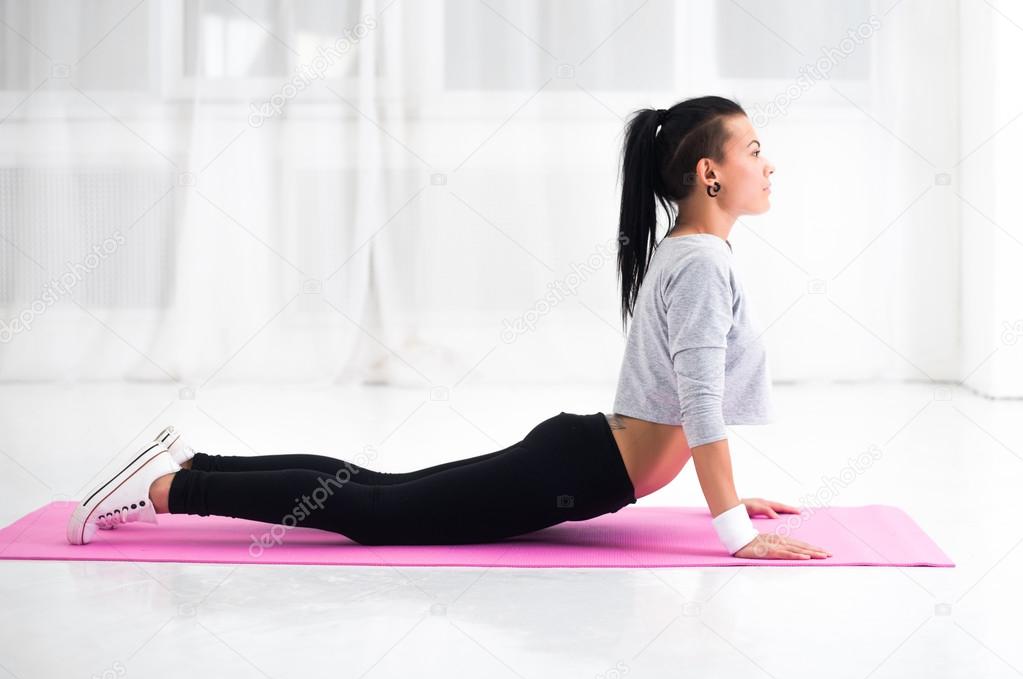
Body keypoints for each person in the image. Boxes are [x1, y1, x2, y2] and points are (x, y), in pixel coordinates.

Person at [66, 95, 831, 561]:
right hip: (574, 472)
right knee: (377, 512)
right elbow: (697, 399)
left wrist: (729, 496)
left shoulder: (692, 252)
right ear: (708, 173)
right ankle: (168, 487)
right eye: (755, 151)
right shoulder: (700, 262)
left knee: (378, 489)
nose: (770, 166)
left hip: (582, 456)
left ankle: (197, 460)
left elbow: (683, 399)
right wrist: (731, 523)